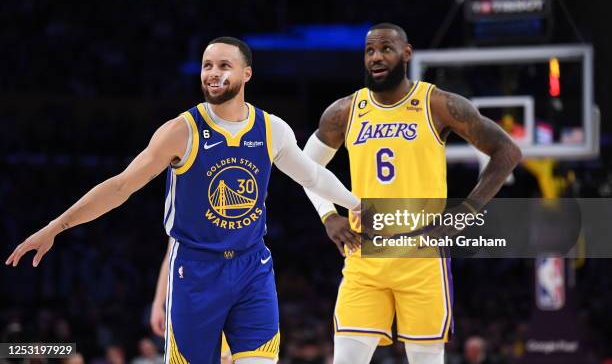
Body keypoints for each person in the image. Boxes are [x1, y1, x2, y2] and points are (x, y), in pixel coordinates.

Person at [6, 37, 361, 364]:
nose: (213, 73)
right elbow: (121, 186)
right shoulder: (182, 130)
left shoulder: (271, 129)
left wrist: (355, 203)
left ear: (246, 73)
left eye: (224, 65)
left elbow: (312, 176)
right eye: (207, 65)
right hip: (195, 270)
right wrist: (56, 226)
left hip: (252, 266)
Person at [303, 23, 521, 364]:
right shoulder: (344, 111)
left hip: (421, 256)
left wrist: (465, 212)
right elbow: (305, 166)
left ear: (406, 53)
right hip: (365, 257)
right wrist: (328, 215)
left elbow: (507, 151)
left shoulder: (438, 104)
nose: (376, 57)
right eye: (370, 51)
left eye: (386, 49)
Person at [150, 238, 232, 363]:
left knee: (226, 357)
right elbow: (171, 255)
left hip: (224, 291)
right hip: (189, 296)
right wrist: (158, 303)